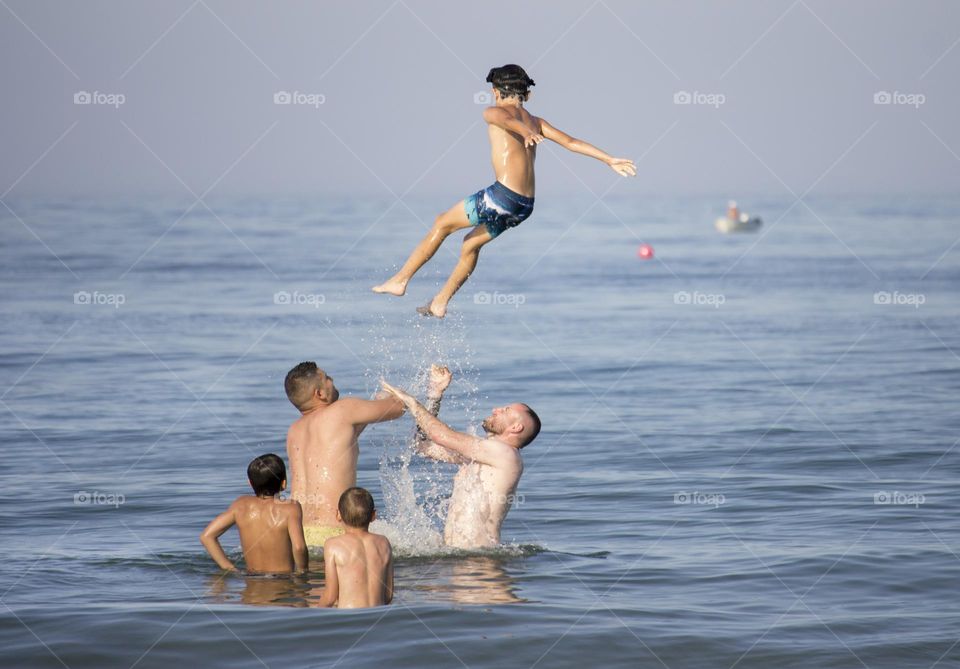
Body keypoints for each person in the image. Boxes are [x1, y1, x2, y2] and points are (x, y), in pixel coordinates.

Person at [372, 63, 637, 318]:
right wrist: (609, 159)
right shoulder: (537, 121)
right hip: (524, 206)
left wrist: (523, 131)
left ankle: (400, 280)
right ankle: (440, 302)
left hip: (502, 196)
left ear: (496, 92)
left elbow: (508, 122)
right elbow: (571, 142)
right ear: (527, 95)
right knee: (470, 245)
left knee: (442, 223)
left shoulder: (493, 112)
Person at [381, 367, 541, 549]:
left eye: (505, 410)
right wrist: (434, 396)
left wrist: (411, 402)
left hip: (480, 565)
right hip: (463, 559)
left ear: (516, 427)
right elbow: (423, 446)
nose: (496, 409)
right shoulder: (483, 456)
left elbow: (440, 435)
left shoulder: (506, 455)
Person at [284, 361, 405, 546]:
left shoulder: (294, 431)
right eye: (327, 378)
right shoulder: (343, 409)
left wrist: (378, 401)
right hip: (335, 531)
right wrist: (395, 393)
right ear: (320, 393)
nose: (332, 380)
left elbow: (346, 438)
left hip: (299, 534)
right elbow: (398, 408)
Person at [200, 453, 308, 574]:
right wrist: (302, 573)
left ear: (250, 483)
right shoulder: (290, 508)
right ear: (284, 483)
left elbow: (206, 536)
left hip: (251, 581)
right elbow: (299, 548)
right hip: (281, 582)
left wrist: (229, 569)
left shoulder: (240, 505)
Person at [317, 487, 394, 608]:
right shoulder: (384, 543)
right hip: (378, 616)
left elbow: (330, 597)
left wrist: (312, 613)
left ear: (338, 515)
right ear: (373, 515)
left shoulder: (333, 545)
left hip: (349, 620)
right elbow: (388, 595)